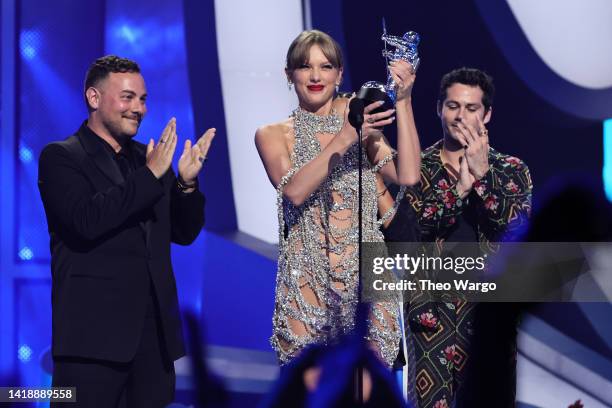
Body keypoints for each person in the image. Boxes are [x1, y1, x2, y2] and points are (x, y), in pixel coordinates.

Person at [38, 55, 215, 407]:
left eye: (143, 99)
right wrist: (150, 176)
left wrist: (186, 185)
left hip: (153, 344)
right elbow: (86, 221)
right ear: (94, 98)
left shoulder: (147, 158)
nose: (138, 108)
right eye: (128, 97)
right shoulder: (61, 157)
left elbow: (182, 232)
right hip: (92, 345)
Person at [254, 29, 422, 371]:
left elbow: (407, 175)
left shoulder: (362, 123)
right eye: (305, 66)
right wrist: (347, 136)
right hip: (306, 285)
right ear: (290, 75)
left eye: (326, 66)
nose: (316, 76)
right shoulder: (272, 135)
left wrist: (403, 101)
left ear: (340, 73)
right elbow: (295, 190)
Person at [402, 67, 532, 407]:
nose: (461, 116)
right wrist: (459, 189)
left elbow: (516, 231)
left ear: (487, 114)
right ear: (439, 109)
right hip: (431, 318)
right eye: (453, 106)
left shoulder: (511, 170)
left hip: (490, 317)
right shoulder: (416, 168)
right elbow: (409, 232)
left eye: (472, 108)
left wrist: (483, 175)